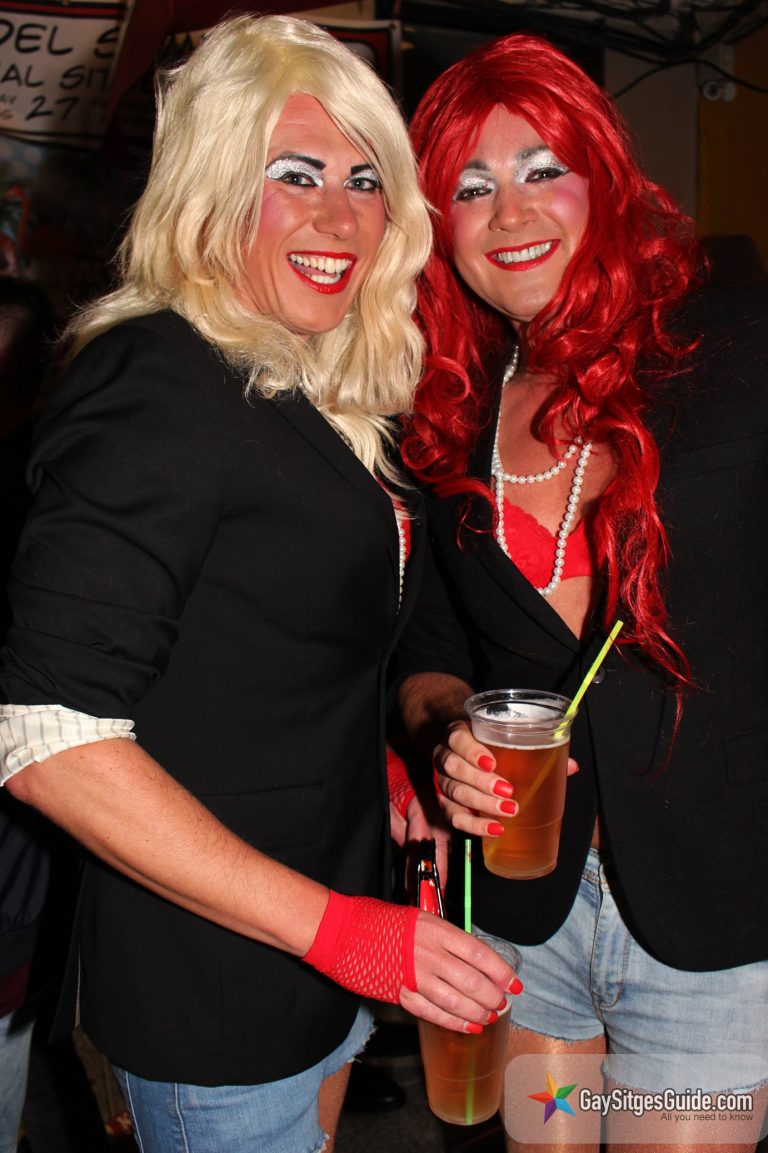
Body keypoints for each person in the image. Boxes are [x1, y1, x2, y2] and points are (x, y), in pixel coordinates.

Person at [0, 16, 519, 1153]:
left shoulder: (302, 387)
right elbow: (47, 740)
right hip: (219, 982)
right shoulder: (157, 377)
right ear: (214, 185)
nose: (341, 216)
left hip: (315, 952)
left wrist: (389, 770)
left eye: (365, 180)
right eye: (295, 174)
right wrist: (345, 932)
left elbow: (267, 656)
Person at [395, 31, 768, 1153]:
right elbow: (426, 648)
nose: (509, 213)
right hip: (528, 923)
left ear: (602, 179)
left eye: (542, 168)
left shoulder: (736, 346)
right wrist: (446, 730)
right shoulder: (448, 412)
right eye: (471, 186)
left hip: (710, 920)